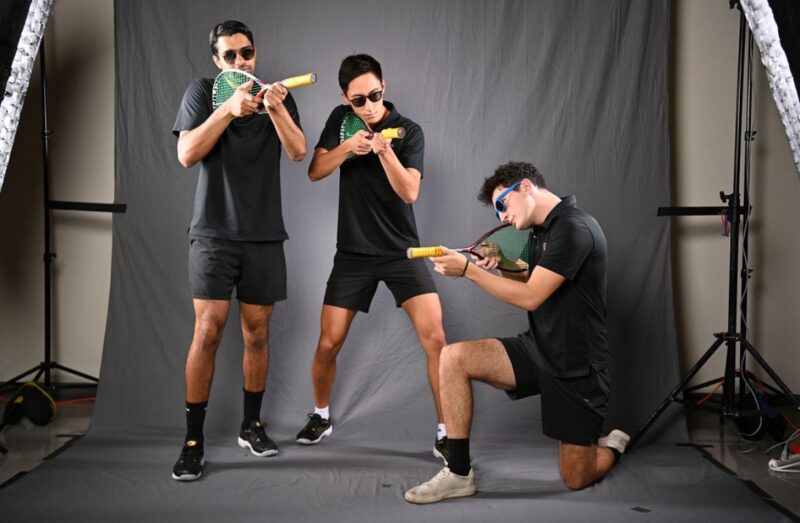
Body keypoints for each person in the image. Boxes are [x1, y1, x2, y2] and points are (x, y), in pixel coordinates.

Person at [404, 161, 629, 504]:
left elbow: (532, 297)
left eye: (502, 206)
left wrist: (467, 270)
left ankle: (612, 445)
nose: (502, 218)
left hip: (577, 367)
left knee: (576, 478)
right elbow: (530, 280)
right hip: (539, 349)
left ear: (525, 187)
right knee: (453, 357)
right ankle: (459, 473)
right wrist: (504, 264)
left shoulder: (574, 228)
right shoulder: (541, 230)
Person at [170, 20, 306, 481]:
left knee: (257, 334)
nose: (239, 63)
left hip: (264, 234)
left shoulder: (279, 96)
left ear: (255, 52)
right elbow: (187, 154)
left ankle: (251, 426)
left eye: (245, 53)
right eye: (229, 56)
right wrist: (227, 110)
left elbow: (299, 151)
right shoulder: (202, 92)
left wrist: (276, 110)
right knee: (208, 331)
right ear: (216, 61)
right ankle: (193, 441)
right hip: (212, 233)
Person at [295, 54, 448, 462]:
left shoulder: (409, 131)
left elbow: (410, 193)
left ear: (385, 87)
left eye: (375, 96)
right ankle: (321, 415)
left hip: (403, 251)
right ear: (345, 98)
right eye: (359, 100)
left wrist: (383, 152)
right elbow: (315, 171)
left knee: (436, 341)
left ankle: (447, 431)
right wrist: (348, 146)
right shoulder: (341, 119)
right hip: (353, 254)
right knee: (328, 343)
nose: (369, 107)